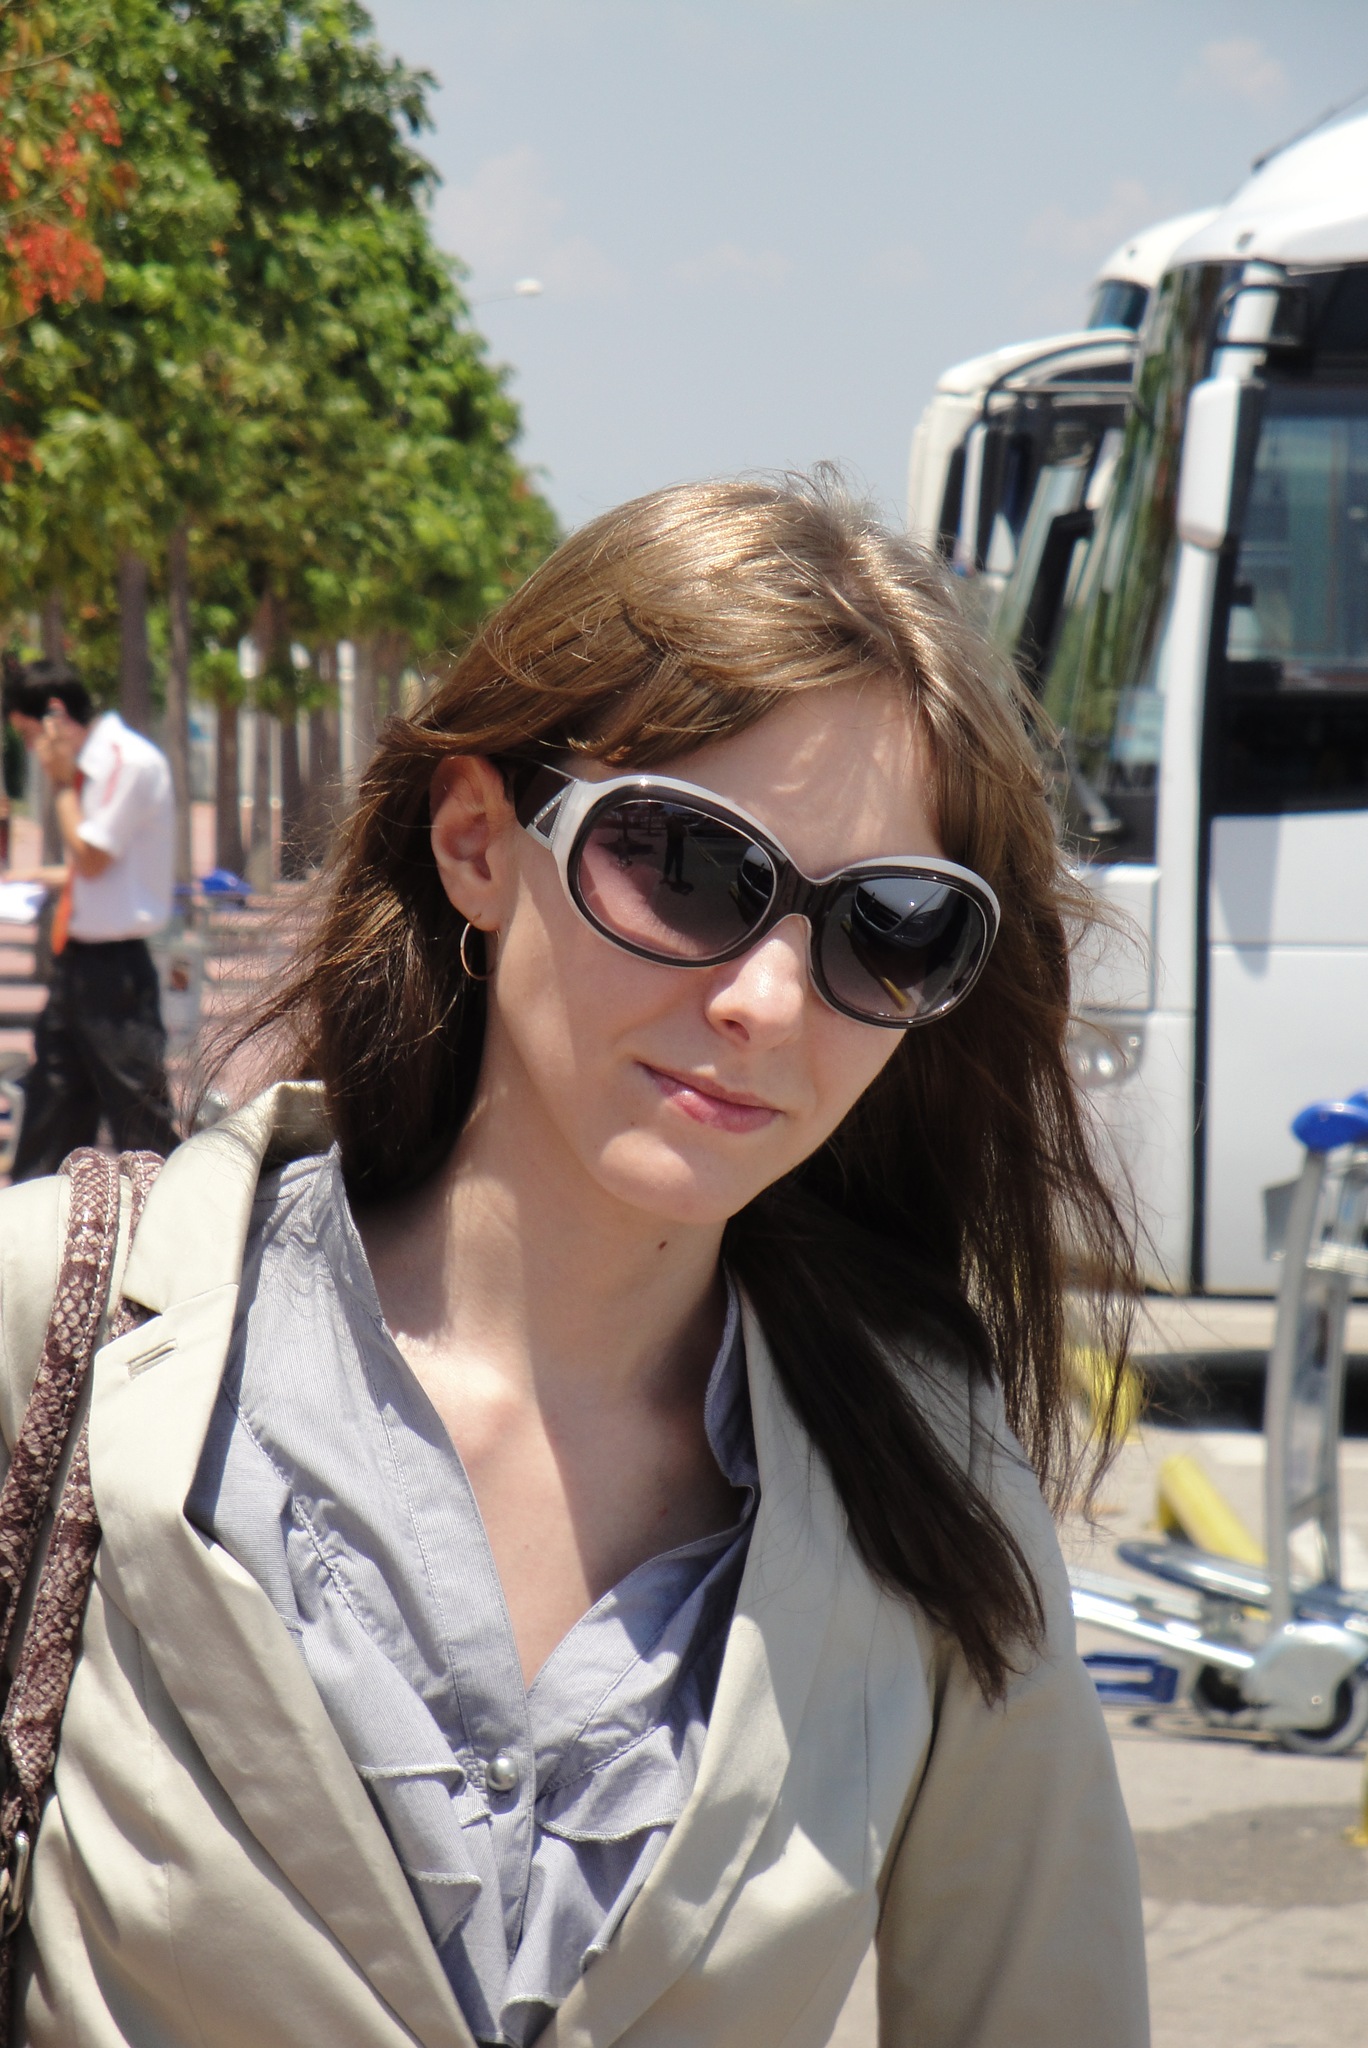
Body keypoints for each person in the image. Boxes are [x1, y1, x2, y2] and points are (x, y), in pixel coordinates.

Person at [0, 477, 1148, 2047]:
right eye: (688, 865)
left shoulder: (934, 1475)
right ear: (479, 843)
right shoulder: (57, 1317)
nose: (766, 999)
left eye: (888, 925)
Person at [1, 660, 179, 1176]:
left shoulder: (126, 762)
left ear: (55, 717)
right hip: (77, 964)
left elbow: (94, 855)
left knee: (139, 1120)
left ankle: (174, 1212)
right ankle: (30, 1211)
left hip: (114, 972)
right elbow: (98, 869)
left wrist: (61, 785)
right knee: (52, 1107)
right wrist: (34, 878)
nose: (32, 750)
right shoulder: (96, 767)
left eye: (29, 735)